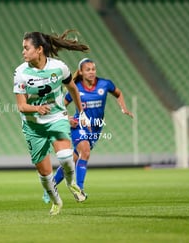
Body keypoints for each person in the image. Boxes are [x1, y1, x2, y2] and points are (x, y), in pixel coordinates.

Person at [13, 30, 91, 215]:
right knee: (45, 174)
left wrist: (81, 113)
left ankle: (72, 183)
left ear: (39, 49)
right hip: (33, 125)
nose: (23, 52)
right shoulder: (20, 72)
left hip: (56, 118)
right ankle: (56, 201)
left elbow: (72, 88)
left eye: (26, 48)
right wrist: (37, 109)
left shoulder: (59, 67)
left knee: (65, 157)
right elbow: (22, 106)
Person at [42, 58, 133, 203]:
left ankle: (50, 188)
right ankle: (79, 189)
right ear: (81, 72)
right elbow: (61, 106)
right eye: (88, 69)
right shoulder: (76, 88)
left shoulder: (105, 84)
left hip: (96, 127)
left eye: (93, 69)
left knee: (72, 161)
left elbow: (118, 93)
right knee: (85, 151)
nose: (91, 72)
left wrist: (124, 108)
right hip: (79, 125)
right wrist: (67, 119)